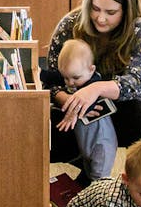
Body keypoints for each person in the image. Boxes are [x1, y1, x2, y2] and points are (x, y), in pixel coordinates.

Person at [42, 0, 141, 207]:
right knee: (47, 126)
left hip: (126, 106)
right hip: (74, 107)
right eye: (95, 9)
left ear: (126, 10)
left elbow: (135, 82)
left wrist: (95, 90)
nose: (101, 18)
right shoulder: (70, 24)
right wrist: (70, 100)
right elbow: (50, 80)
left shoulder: (138, 29)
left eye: (111, 12)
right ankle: (91, 175)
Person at [50, 38, 116, 180]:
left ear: (91, 70)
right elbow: (53, 79)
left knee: (99, 180)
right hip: (86, 143)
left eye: (75, 77)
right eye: (66, 78)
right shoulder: (79, 77)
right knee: (88, 172)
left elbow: (89, 103)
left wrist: (74, 111)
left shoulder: (94, 81)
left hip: (101, 145)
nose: (70, 83)